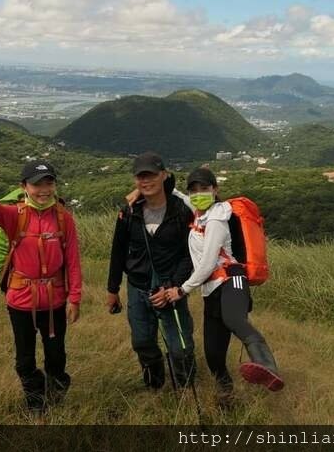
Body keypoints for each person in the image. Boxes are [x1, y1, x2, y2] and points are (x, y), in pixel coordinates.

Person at [0, 158, 82, 415]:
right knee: (24, 360)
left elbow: (73, 261)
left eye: (48, 183)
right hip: (20, 300)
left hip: (54, 300)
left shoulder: (64, 219)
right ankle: (36, 404)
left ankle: (57, 387)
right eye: (36, 184)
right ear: (24, 187)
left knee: (56, 358)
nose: (43, 190)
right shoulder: (14, 215)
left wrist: (74, 298)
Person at [163, 167, 283, 406]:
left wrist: (182, 290)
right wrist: (165, 182)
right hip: (211, 290)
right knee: (214, 354)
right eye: (194, 190)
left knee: (234, 319)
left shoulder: (217, 217)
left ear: (215, 190)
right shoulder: (199, 213)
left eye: (204, 189)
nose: (198, 194)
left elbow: (208, 263)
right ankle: (226, 395)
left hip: (232, 280)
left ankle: (267, 366)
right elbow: (183, 198)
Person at [107, 152, 196, 390]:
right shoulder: (128, 212)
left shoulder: (181, 210)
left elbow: (190, 254)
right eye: (140, 177)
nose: (146, 181)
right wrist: (112, 289)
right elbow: (118, 250)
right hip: (138, 287)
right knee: (142, 341)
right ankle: (154, 385)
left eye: (151, 175)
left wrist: (173, 286)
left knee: (179, 344)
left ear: (164, 175)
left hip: (171, 288)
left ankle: (185, 386)